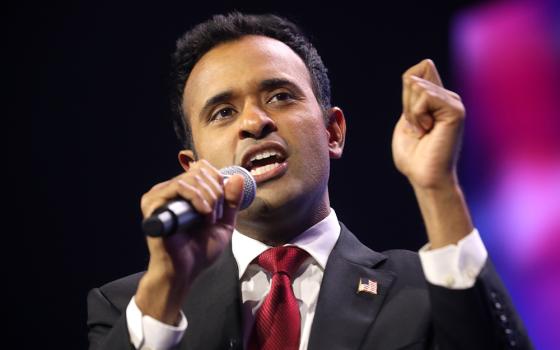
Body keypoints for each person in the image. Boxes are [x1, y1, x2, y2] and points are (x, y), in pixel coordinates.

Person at [87, 12, 533, 350]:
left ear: (333, 132)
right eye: (223, 112)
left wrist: (437, 186)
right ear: (194, 166)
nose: (255, 122)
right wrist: (165, 284)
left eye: (280, 96)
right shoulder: (129, 307)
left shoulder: (428, 290)